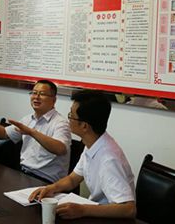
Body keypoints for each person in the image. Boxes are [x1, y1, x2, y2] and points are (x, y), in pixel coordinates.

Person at [29, 90, 136, 219]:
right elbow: (73, 179)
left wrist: (83, 210)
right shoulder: (93, 143)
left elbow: (128, 209)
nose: (68, 119)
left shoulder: (108, 159)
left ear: (84, 126)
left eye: (71, 115)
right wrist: (51, 188)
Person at [0, 80, 71, 183]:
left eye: (42, 94)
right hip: (23, 173)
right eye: (34, 93)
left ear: (54, 100)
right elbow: (3, 134)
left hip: (46, 180)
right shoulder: (28, 119)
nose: (36, 97)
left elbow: (60, 149)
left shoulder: (61, 123)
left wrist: (32, 132)